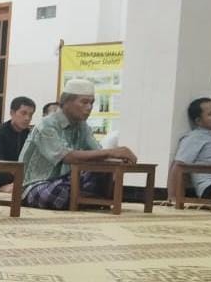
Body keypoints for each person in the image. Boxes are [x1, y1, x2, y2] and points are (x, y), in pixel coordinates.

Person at [18, 79, 137, 210]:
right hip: (36, 185)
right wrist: (111, 152)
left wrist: (118, 160)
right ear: (66, 102)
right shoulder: (46, 125)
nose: (89, 107)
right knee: (57, 193)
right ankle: (86, 199)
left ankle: (83, 198)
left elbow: (98, 153)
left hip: (67, 181)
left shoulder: (82, 126)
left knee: (102, 172)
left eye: (92, 103)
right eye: (84, 102)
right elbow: (67, 157)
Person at [0, 96, 35, 191]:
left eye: (30, 114)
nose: (27, 118)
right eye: (23, 113)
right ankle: (3, 187)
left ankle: (14, 185)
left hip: (17, 172)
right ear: (12, 113)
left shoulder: (29, 134)